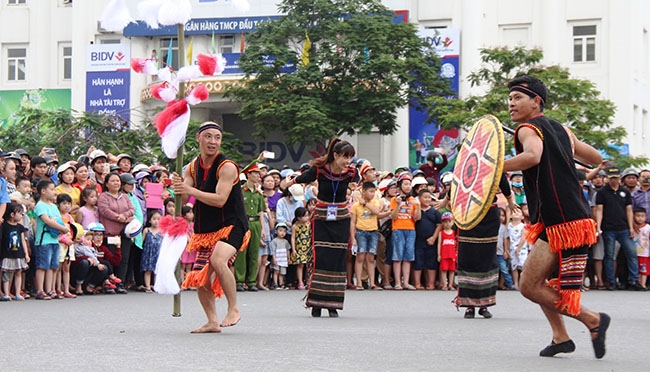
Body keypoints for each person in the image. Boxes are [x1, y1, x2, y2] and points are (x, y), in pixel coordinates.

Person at [503, 75, 609, 358]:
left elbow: (532, 157)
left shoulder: (527, 129)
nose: (511, 103)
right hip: (574, 217)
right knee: (538, 281)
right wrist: (565, 149)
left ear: (536, 101)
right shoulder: (563, 130)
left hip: (560, 221)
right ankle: (560, 336)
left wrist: (493, 167)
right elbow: (597, 157)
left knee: (528, 285)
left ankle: (592, 320)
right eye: (510, 98)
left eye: (517, 98)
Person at [172, 121, 250, 333]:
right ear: (199, 138)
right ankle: (212, 321)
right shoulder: (191, 167)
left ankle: (233, 308)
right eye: (208, 136)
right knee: (200, 277)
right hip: (206, 229)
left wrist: (190, 189)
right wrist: (177, 188)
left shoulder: (227, 167)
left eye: (217, 137)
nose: (213, 141)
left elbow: (220, 199)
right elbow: (186, 195)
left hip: (232, 225)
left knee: (218, 259)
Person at [290, 137, 358, 317]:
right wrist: (291, 181)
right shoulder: (319, 170)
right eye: (345, 157)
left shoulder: (351, 172)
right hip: (321, 217)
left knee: (337, 259)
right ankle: (316, 303)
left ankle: (333, 304)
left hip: (341, 217)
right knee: (321, 257)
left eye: (350, 157)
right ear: (335, 155)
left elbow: (359, 181)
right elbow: (302, 178)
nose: (348, 161)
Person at [594, 166, 641, 291]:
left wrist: (631, 227)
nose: (613, 180)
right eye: (611, 178)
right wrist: (598, 226)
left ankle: (633, 280)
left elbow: (629, 210)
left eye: (615, 178)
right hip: (608, 228)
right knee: (609, 255)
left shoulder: (624, 192)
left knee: (631, 253)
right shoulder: (602, 192)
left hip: (624, 228)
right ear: (607, 178)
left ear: (620, 177)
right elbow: (599, 210)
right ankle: (611, 281)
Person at [97, 172, 134, 293]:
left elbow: (131, 209)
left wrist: (124, 215)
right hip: (110, 233)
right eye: (112, 181)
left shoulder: (125, 196)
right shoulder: (103, 196)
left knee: (124, 259)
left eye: (117, 180)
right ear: (106, 184)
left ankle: (121, 283)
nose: (116, 183)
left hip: (124, 233)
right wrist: (119, 217)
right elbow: (104, 210)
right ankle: (110, 283)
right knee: (110, 259)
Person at [33, 179, 69, 300]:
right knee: (43, 265)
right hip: (44, 240)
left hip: (54, 239)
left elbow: (57, 220)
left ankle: (50, 289)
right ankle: (40, 290)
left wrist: (61, 227)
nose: (54, 192)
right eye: (51, 189)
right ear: (43, 191)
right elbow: (47, 221)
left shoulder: (54, 206)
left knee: (53, 266)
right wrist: (62, 228)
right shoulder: (40, 206)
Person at [235, 164, 265, 292]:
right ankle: (239, 281)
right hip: (244, 222)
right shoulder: (241, 191)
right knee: (241, 253)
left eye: (259, 173)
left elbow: (261, 212)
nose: (258, 175)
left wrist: (263, 229)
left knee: (254, 253)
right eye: (255, 173)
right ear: (248, 174)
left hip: (256, 223)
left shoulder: (259, 194)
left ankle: (252, 281)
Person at [390, 173, 421, 290]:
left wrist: (417, 206)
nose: (408, 187)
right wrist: (398, 205)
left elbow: (417, 218)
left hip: (411, 229)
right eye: (405, 184)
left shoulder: (413, 200)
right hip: (398, 228)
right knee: (397, 256)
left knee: (408, 256)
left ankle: (406, 282)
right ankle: (398, 282)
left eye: (409, 184)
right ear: (400, 186)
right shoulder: (394, 199)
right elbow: (393, 216)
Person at [350, 182, 383, 290]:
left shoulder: (375, 202)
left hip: (373, 231)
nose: (373, 194)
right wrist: (353, 237)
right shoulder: (356, 206)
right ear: (363, 191)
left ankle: (372, 282)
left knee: (371, 257)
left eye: (374, 191)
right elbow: (353, 222)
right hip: (361, 232)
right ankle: (359, 282)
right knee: (360, 256)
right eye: (371, 191)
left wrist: (365, 203)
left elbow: (377, 212)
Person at [1, 203, 30, 301]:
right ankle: (6, 293)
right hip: (7, 254)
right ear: (12, 214)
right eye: (20, 213)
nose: (22, 215)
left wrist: (26, 254)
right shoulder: (4, 226)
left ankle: (18, 292)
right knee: (7, 273)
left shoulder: (20, 227)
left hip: (19, 253)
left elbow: (22, 241)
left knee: (18, 273)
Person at [413, 189, 440, 290]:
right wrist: (418, 206)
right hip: (418, 240)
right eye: (425, 197)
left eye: (429, 197)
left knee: (431, 263)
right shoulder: (416, 210)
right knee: (418, 262)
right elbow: (415, 219)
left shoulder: (435, 212)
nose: (427, 199)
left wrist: (434, 237)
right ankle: (417, 283)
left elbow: (439, 225)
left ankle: (431, 283)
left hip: (431, 240)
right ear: (419, 198)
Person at [291, 207, 312, 290]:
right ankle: (300, 281)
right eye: (305, 216)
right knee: (300, 265)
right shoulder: (295, 226)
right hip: (299, 247)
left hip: (308, 247)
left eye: (308, 216)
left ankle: (309, 281)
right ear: (299, 217)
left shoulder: (309, 224)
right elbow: (293, 238)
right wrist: (293, 249)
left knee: (309, 265)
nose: (307, 218)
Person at [141, 210, 163, 293]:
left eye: (158, 219)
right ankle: (147, 286)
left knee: (156, 270)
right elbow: (142, 241)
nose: (156, 221)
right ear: (150, 220)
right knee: (148, 270)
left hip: (158, 253)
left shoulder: (162, 231)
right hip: (148, 253)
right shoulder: (147, 230)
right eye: (154, 219)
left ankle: (156, 286)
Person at [496, 208, 515, 290]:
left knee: (504, 269)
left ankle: (510, 284)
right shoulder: (491, 227)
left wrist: (506, 250)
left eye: (503, 216)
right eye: (499, 215)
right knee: (493, 270)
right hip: (491, 253)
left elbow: (505, 240)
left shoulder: (503, 228)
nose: (501, 217)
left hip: (500, 252)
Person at [437, 212, 457, 291]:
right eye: (445, 222)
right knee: (443, 270)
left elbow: (456, 244)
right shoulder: (441, 233)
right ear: (442, 223)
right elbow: (439, 244)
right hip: (444, 254)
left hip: (452, 254)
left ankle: (451, 284)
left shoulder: (454, 233)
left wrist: (456, 253)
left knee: (452, 270)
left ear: (453, 222)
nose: (447, 224)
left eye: (449, 221)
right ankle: (444, 284)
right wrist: (439, 254)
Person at [633, 207, 650, 290]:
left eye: (642, 216)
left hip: (645, 253)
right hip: (635, 252)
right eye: (638, 216)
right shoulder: (632, 227)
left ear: (646, 217)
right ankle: (638, 283)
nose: (640, 218)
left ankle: (643, 284)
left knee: (644, 270)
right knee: (636, 269)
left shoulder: (648, 228)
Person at [270, 222, 290, 289]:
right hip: (277, 258)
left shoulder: (286, 241)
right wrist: (274, 258)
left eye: (284, 231)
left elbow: (288, 250)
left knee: (282, 272)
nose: (282, 233)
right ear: (276, 231)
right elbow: (273, 251)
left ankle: (281, 283)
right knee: (276, 271)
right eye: (280, 230)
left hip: (283, 259)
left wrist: (288, 258)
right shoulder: (274, 241)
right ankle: (275, 283)